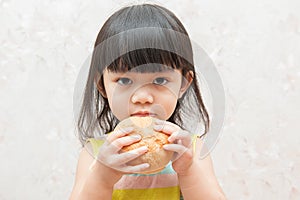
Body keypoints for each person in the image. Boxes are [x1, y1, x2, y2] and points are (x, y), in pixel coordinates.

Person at [70, 3, 226, 200]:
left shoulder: (190, 150)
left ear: (184, 84)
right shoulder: (95, 153)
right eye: (124, 80)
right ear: (102, 86)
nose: (142, 97)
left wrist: (188, 171)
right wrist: (102, 177)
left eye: (160, 80)